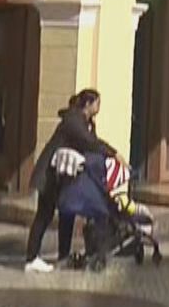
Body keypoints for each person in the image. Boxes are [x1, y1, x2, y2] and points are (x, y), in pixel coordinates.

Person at [25, 89, 117, 272]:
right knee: (44, 215)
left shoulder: (86, 122)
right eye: (97, 103)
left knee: (67, 213)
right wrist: (113, 153)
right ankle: (32, 258)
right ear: (88, 104)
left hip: (64, 176)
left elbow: (90, 143)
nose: (99, 107)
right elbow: (89, 142)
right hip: (49, 175)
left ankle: (63, 255)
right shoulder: (73, 121)